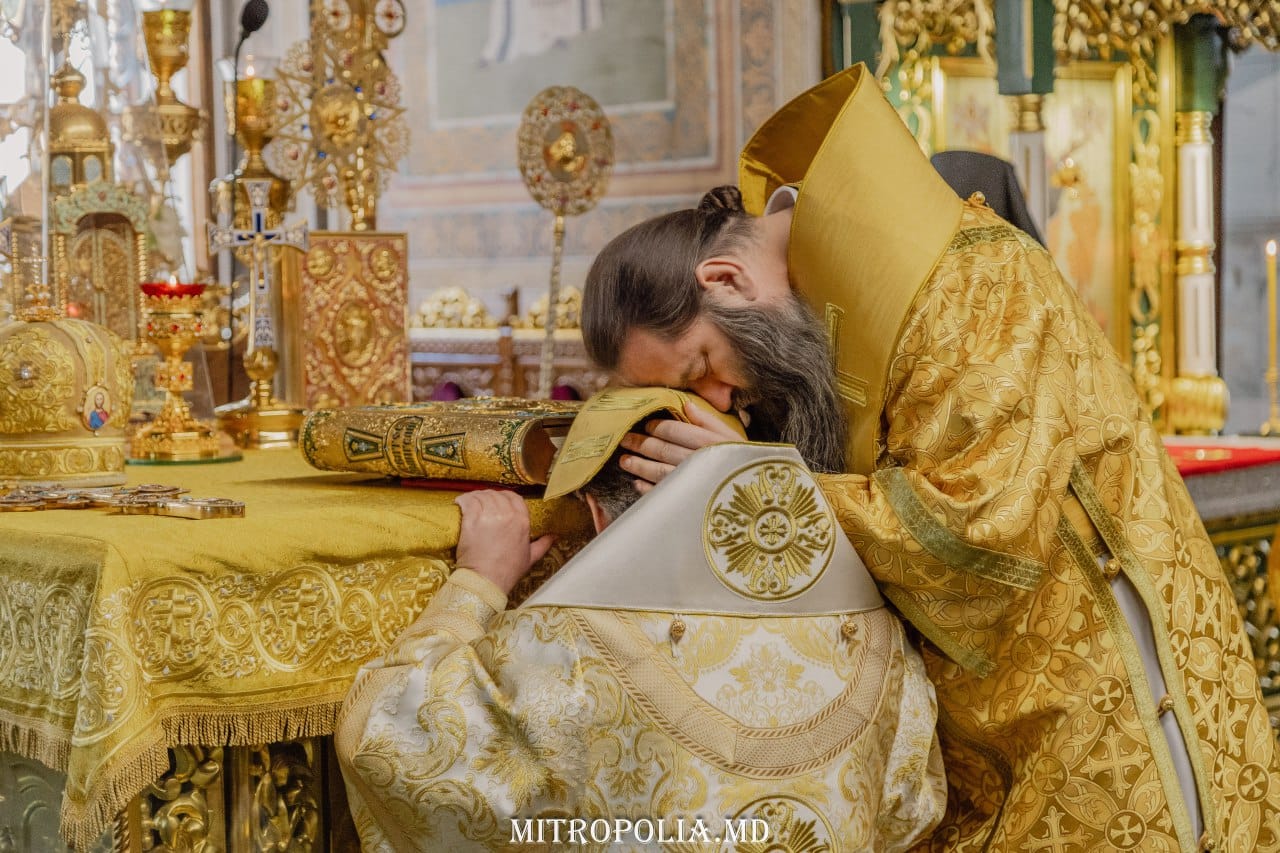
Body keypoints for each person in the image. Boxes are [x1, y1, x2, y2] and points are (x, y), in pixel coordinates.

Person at [579, 63, 1280, 851]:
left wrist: (755, 482)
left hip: (1109, 720)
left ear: (725, 278)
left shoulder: (969, 277)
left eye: (701, 368)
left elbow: (979, 528)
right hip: (981, 743)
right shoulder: (801, 319)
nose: (720, 400)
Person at [335, 387, 945, 852]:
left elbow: (387, 746)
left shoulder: (568, 652)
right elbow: (910, 811)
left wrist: (477, 582)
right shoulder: (880, 638)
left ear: (598, 516)